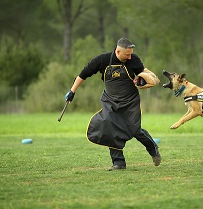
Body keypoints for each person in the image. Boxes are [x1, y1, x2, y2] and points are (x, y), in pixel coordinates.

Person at [65, 38, 161, 171]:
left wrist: (145, 80)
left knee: (134, 130)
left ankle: (152, 148)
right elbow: (84, 74)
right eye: (127, 54)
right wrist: (72, 91)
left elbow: (143, 74)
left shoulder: (134, 60)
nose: (130, 57)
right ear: (117, 51)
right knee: (109, 126)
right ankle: (119, 163)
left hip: (130, 101)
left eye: (131, 54)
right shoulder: (102, 60)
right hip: (110, 100)